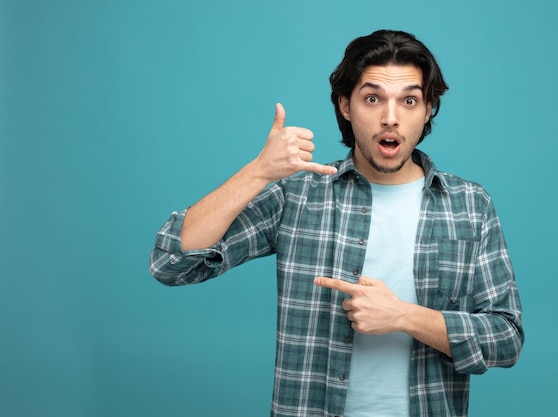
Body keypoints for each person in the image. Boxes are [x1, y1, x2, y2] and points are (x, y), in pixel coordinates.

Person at [149, 29, 524, 417]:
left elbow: (506, 338)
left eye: (409, 101)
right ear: (346, 105)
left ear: (428, 109)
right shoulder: (299, 196)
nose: (390, 118)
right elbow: (172, 262)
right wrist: (259, 172)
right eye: (373, 98)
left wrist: (404, 316)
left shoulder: (469, 206)